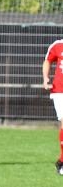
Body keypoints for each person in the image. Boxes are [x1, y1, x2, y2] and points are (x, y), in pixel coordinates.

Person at [42, 38, 63, 175]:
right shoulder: (57, 45)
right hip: (60, 91)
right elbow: (48, 60)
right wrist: (45, 78)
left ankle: (61, 161)